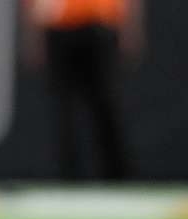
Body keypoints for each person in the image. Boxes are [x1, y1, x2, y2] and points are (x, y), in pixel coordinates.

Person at [21, 0, 143, 180]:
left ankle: (118, 177)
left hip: (100, 24)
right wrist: (32, 37)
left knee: (106, 106)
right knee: (63, 109)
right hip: (59, 26)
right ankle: (69, 177)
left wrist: (132, 28)